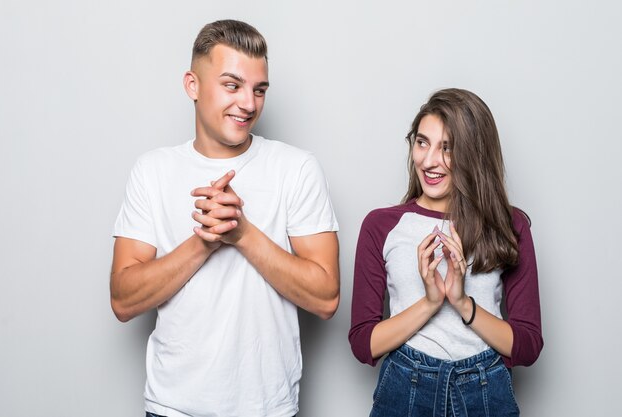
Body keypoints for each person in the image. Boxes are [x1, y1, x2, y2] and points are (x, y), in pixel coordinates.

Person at [110, 20, 340, 417]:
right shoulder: (152, 170)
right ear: (192, 86)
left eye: (259, 89)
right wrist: (204, 242)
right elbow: (123, 299)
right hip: (172, 408)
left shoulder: (297, 168)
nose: (249, 104)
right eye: (232, 85)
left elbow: (326, 298)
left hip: (267, 409)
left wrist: (244, 234)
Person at [348, 88, 543, 416]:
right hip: (404, 387)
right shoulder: (381, 225)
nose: (428, 160)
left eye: (447, 148)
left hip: (485, 389)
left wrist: (463, 303)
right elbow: (363, 343)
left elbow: (527, 345)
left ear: (473, 154)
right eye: (422, 142)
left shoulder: (509, 225)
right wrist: (430, 304)